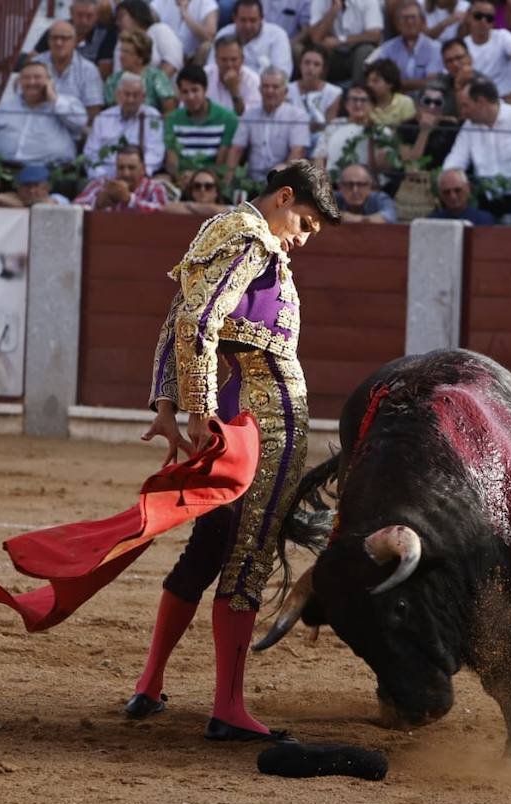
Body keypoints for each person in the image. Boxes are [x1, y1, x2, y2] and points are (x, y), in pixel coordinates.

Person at [130, 160, 341, 740]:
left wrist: (171, 406)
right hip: (263, 422)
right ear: (284, 197)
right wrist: (197, 410)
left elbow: (179, 319)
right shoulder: (253, 241)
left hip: (234, 409)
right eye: (305, 222)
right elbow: (197, 321)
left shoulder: (221, 233)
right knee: (248, 552)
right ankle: (227, 709)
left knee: (209, 547)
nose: (302, 237)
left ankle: (149, 684)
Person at [0, 61, 87, 167]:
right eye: (26, 78)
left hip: (51, 173)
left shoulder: (67, 103)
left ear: (50, 81)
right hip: (5, 169)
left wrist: (53, 98)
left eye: (37, 77)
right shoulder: (6, 107)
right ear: (19, 81)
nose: (31, 82)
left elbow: (80, 123)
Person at [442, 76, 511, 183]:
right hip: (485, 195)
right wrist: (447, 176)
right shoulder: (468, 125)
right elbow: (455, 160)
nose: (462, 113)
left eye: (465, 106)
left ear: (481, 102)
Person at [228, 68, 310, 175]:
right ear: (259, 90)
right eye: (265, 86)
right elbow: (236, 149)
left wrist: (282, 172)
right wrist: (228, 178)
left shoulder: (297, 116)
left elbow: (298, 152)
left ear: (285, 91)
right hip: (251, 179)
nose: (269, 91)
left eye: (275, 87)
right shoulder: (249, 114)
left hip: (284, 178)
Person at [86, 73, 166, 178]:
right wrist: (102, 176)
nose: (130, 100)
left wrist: (138, 174)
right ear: (118, 95)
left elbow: (155, 154)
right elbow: (91, 155)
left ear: (143, 97)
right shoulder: (102, 118)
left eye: (135, 95)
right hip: (105, 180)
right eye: (127, 94)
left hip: (139, 179)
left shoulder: (153, 117)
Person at [166, 64, 239, 177]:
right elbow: (171, 159)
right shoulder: (173, 119)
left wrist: (198, 177)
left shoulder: (227, 119)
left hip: (213, 181)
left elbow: (222, 163)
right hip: (181, 179)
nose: (190, 96)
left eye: (195, 90)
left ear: (205, 90)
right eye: (185, 92)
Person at [459, 0, 511, 99]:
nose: (483, 21)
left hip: (504, 99)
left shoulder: (502, 36)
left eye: (489, 18)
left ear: (493, 22)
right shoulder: (461, 45)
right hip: (475, 100)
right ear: (468, 17)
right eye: (478, 16)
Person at [37, 19, 106, 123]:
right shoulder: (36, 64)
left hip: (72, 133)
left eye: (64, 38)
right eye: (54, 38)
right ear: (48, 41)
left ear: (75, 41)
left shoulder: (89, 70)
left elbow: (93, 112)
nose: (59, 43)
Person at [367, 2, 444, 94]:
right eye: (405, 18)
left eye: (413, 18)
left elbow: (431, 82)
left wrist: (395, 83)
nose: (409, 22)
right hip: (395, 99)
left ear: (423, 22)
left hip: (425, 99)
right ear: (397, 24)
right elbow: (378, 77)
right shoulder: (388, 48)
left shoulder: (435, 48)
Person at [34, 0, 118, 77]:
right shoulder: (58, 29)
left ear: (97, 15)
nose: (84, 21)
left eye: (89, 16)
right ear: (71, 12)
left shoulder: (106, 33)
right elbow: (33, 58)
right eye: (79, 15)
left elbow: (104, 72)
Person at [308, 0, 385, 84]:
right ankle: (317, 92)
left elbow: (375, 35)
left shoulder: (368, 2)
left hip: (356, 54)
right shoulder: (320, 2)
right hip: (334, 55)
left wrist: (341, 40)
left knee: (365, 50)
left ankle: (358, 92)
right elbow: (315, 38)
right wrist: (334, 9)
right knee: (317, 50)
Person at [211, 0, 294, 77]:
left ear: (261, 18)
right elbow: (211, 69)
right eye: (243, 20)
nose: (248, 26)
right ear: (234, 18)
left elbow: (282, 75)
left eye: (252, 20)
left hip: (265, 90)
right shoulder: (223, 34)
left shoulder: (278, 36)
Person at [75, 145, 169, 210]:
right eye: (121, 167)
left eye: (131, 168)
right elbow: (74, 208)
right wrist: (97, 203)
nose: (125, 173)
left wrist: (130, 200)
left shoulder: (154, 188)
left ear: (143, 169)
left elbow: (163, 212)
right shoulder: (103, 184)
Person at [105, 31, 178, 114]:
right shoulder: (113, 80)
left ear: (141, 58)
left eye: (126, 52)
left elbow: (169, 109)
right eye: (121, 51)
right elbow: (110, 110)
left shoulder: (156, 77)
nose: (121, 56)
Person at [113, 0, 184, 77]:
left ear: (136, 14)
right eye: (117, 19)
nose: (117, 23)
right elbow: (118, 74)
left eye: (121, 17)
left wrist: (152, 85)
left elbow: (173, 61)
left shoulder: (160, 30)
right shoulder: (121, 43)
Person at [288, 46, 342, 147]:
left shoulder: (334, 92)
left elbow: (329, 128)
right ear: (300, 65)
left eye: (316, 64)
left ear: (323, 69)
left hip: (319, 142)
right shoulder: (287, 90)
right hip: (292, 141)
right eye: (307, 63)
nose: (310, 68)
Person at [397, 84, 460, 170]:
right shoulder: (405, 127)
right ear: (418, 105)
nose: (432, 107)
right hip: (414, 178)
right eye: (427, 101)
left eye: (438, 103)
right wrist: (424, 132)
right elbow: (409, 163)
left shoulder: (450, 127)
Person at [206, 35, 262, 117]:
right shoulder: (205, 76)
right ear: (216, 59)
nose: (229, 65)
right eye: (224, 60)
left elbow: (249, 117)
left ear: (242, 59)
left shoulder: (253, 80)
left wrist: (234, 91)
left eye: (234, 59)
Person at [151, 0, 217, 62]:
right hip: (165, 53)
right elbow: (149, 16)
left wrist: (185, 14)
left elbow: (209, 36)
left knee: (206, 46)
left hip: (192, 58)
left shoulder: (207, 2)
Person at [428, 167, 496, 223]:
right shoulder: (432, 222)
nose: (453, 196)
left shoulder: (483, 220)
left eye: (457, 190)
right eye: (446, 192)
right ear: (440, 195)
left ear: (468, 188)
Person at [365, 59, 416, 126]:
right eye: (369, 81)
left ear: (390, 83)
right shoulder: (363, 102)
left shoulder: (405, 102)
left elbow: (408, 133)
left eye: (375, 81)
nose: (370, 85)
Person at [165, 165, 231, 217]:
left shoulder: (229, 208)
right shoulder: (182, 205)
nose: (202, 190)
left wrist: (191, 207)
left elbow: (225, 211)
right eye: (197, 186)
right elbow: (167, 208)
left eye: (208, 186)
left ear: (216, 192)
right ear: (191, 190)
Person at [0, 163, 71, 207]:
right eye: (27, 186)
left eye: (36, 185)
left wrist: (22, 204)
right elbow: (0, 198)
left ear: (47, 187)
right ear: (18, 188)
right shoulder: (15, 196)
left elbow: (49, 204)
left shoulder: (58, 198)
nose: (31, 190)